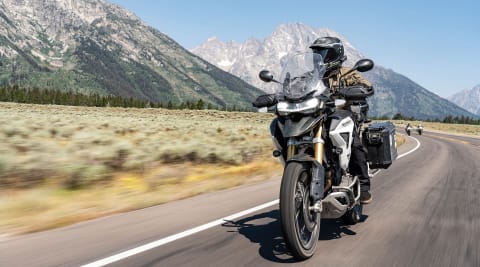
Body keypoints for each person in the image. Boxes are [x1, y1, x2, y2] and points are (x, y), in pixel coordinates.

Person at [253, 36, 374, 204]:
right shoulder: (310, 76)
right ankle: (298, 173)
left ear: (335, 55)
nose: (320, 57)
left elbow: (366, 85)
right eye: (316, 53)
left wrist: (357, 90)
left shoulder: (347, 73)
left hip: (342, 114)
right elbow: (292, 89)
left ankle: (363, 184)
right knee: (278, 124)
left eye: (324, 53)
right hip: (317, 115)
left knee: (355, 143)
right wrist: (274, 97)